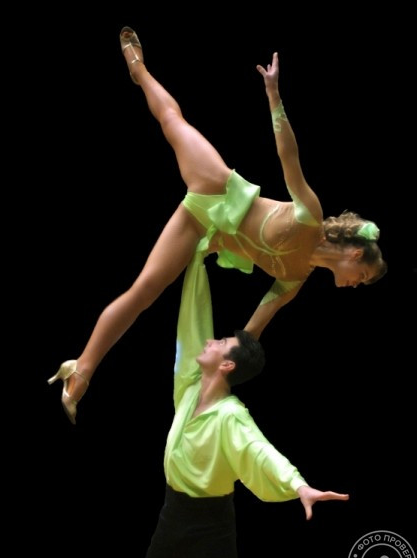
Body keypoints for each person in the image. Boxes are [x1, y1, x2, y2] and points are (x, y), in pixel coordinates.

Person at [48, 27, 386, 423]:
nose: (355, 285)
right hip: (216, 186)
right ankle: (139, 70)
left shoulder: (294, 280)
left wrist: (222, 380)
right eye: (362, 276)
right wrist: (274, 96)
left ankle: (81, 369)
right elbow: (289, 158)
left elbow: (250, 335)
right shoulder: (310, 217)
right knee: (171, 120)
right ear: (355, 253)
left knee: (144, 291)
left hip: (201, 229)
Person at [142, 248, 350, 558]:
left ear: (227, 365)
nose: (210, 340)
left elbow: (259, 449)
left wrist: (298, 485)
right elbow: (192, 322)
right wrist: (195, 263)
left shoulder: (230, 414)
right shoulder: (189, 388)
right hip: (169, 517)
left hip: (210, 528)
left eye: (221, 342)